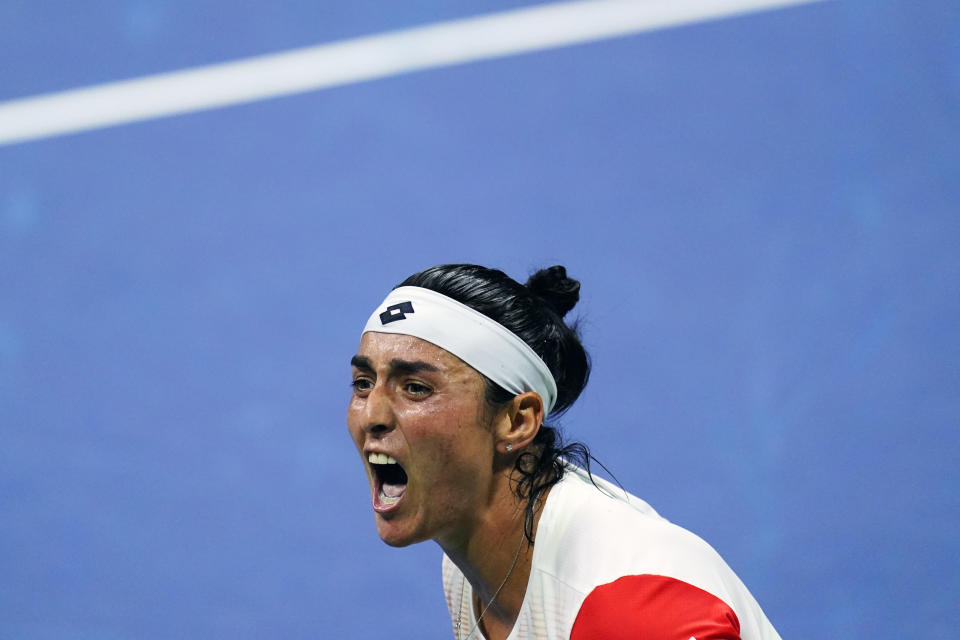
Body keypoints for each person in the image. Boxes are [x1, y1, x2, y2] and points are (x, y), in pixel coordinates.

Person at [347, 264, 781, 640]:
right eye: (363, 383)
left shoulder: (627, 609)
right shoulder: (470, 556)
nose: (372, 415)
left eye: (416, 388)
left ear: (516, 421)